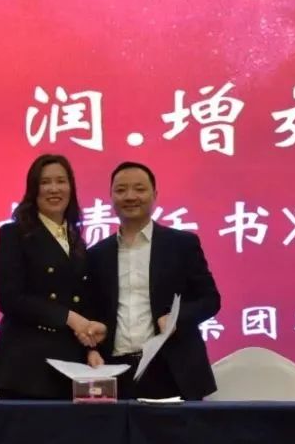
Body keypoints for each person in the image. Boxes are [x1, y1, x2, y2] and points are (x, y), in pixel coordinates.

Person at [86, 162, 221, 400]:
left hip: (171, 370)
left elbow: (210, 300)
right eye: (121, 190)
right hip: (114, 371)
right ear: (111, 197)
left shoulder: (182, 244)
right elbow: (91, 312)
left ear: (154, 195)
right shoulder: (96, 254)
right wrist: (91, 349)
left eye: (139, 189)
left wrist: (177, 318)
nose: (130, 196)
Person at [0, 154, 107, 400]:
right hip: (27, 367)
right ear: (33, 189)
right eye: (45, 182)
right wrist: (69, 318)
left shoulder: (76, 240)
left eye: (61, 181)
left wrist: (91, 347)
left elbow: (81, 301)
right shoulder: (14, 234)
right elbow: (10, 299)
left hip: (71, 366)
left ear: (71, 187)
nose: (54, 189)